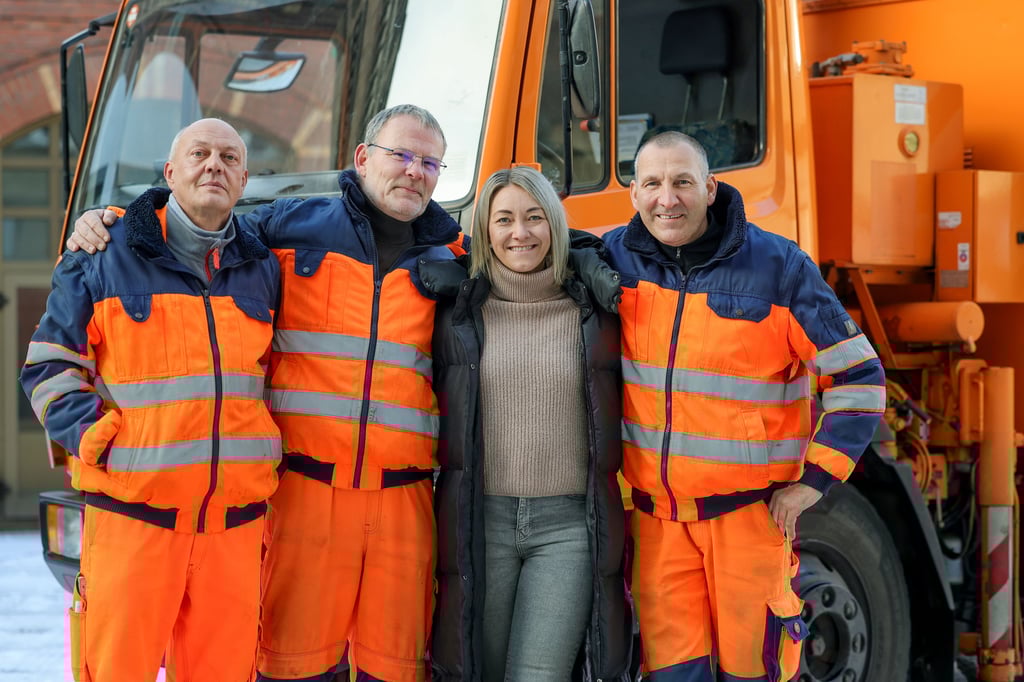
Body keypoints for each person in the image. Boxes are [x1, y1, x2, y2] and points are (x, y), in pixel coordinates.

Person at [67, 104, 465, 682]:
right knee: (289, 666)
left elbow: (528, 249)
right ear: (362, 159)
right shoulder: (286, 229)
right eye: (400, 155)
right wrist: (115, 221)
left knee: (397, 669)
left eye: (430, 162)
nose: (414, 171)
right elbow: (202, 225)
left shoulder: (453, 258)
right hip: (302, 493)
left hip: (404, 499)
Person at [601, 131, 885, 681]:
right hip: (658, 526)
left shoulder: (778, 268)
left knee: (753, 672)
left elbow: (858, 376)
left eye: (683, 182)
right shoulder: (611, 260)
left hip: (748, 521)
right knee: (672, 673)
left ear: (710, 188)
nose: (668, 199)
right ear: (634, 194)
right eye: (654, 184)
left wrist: (814, 482)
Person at [21, 118, 282, 681]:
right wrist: (104, 443)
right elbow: (48, 366)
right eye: (200, 153)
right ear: (170, 172)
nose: (215, 165)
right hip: (132, 523)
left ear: (243, 180)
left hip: (232, 531)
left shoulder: (263, 266)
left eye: (230, 158)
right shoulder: (102, 253)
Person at [420, 166, 632, 682]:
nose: (521, 233)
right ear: (484, 231)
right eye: (505, 219)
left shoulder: (593, 313)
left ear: (555, 226)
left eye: (535, 218)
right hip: (481, 521)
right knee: (481, 671)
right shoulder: (457, 314)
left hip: (567, 530)